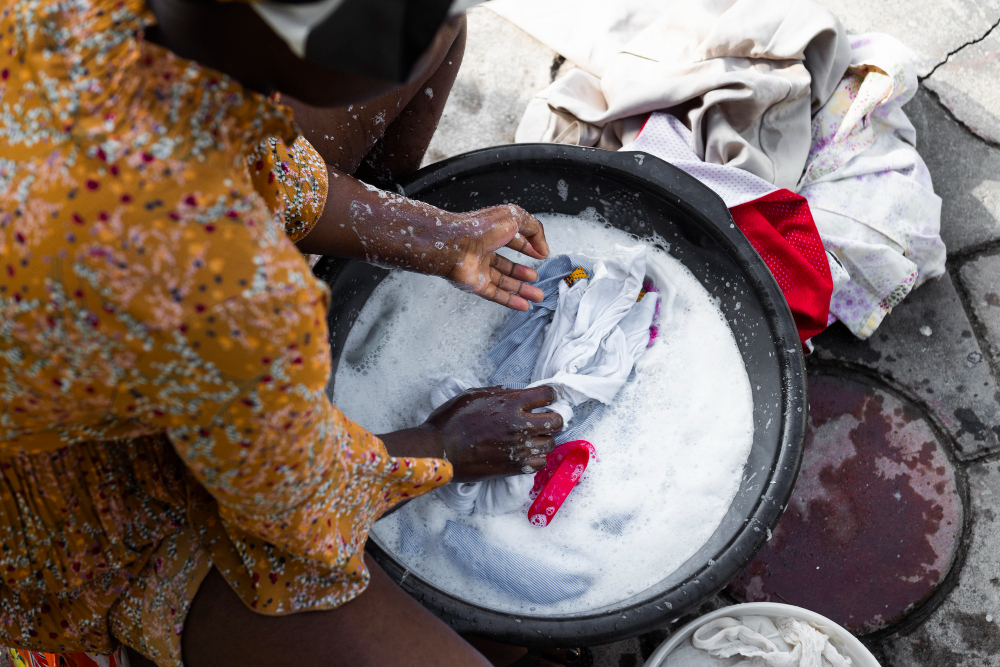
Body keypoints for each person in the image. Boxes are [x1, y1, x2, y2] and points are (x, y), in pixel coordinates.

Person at [0, 1, 569, 665]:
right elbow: (306, 508)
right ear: (325, 43)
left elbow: (248, 157)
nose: (439, 19)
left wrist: (440, 238)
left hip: (88, 331)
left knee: (440, 49)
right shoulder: (224, 285)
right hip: (63, 510)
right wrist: (446, 444)